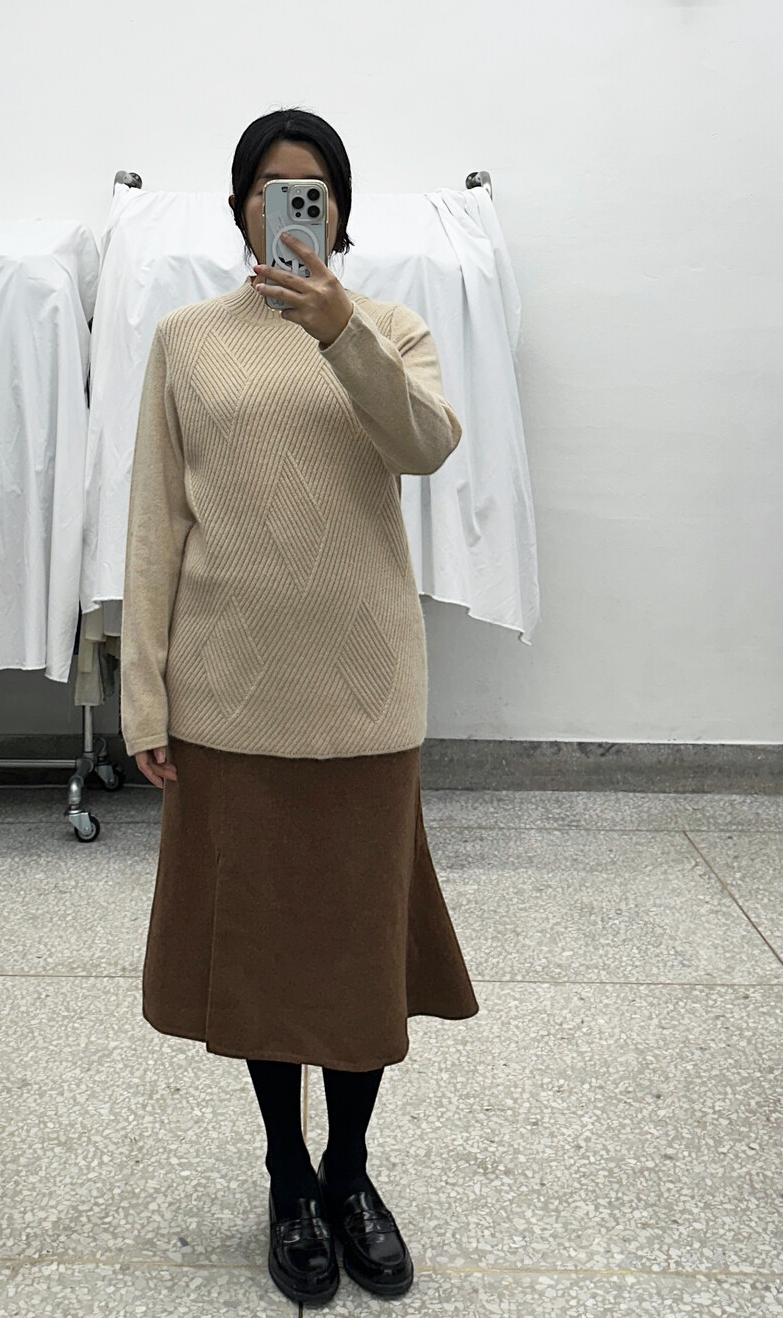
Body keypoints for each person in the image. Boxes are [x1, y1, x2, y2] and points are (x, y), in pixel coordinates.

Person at [120, 107, 480, 1306]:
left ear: (339, 211)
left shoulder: (390, 328)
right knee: (264, 954)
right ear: (239, 209)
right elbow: (155, 523)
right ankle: (287, 1173)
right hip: (232, 694)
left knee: (359, 954)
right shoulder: (185, 341)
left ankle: (350, 1170)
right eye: (272, 191)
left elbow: (426, 445)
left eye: (313, 192)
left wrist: (339, 334)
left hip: (366, 691)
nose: (291, 210)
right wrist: (144, 693)